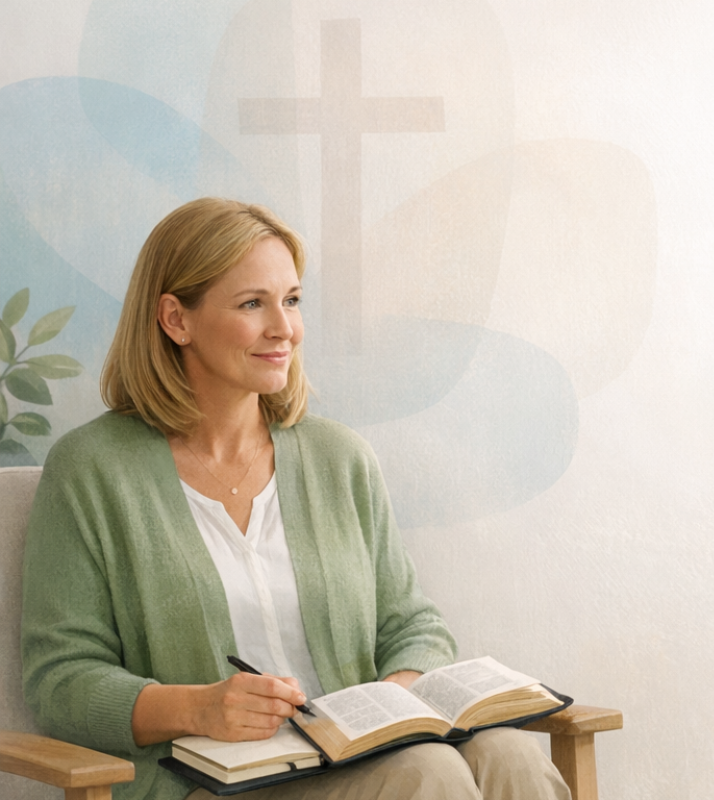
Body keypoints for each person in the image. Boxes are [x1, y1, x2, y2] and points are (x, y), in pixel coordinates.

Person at [21, 198, 570, 800]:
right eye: (252, 303)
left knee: (510, 753)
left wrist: (402, 692)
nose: (284, 327)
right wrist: (200, 708)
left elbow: (410, 622)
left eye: (291, 299)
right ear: (176, 319)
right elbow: (61, 681)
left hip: (358, 755)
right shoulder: (90, 472)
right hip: (211, 781)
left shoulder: (340, 458)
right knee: (428, 774)